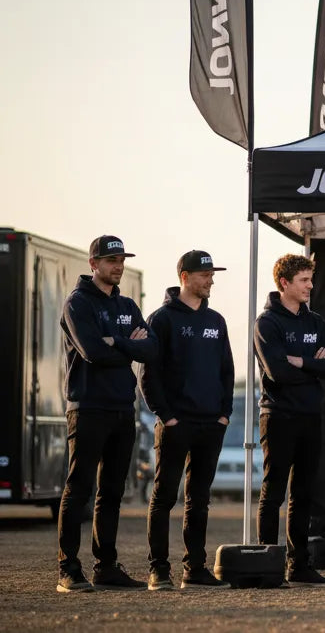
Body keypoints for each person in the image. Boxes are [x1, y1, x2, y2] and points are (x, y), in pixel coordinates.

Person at [56, 235, 157, 593]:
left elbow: (152, 349)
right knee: (79, 488)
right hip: (87, 407)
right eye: (111, 260)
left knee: (112, 491)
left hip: (121, 408)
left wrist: (117, 342)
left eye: (121, 260)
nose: (118, 266)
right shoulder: (78, 303)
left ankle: (106, 567)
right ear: (93, 264)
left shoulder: (127, 305)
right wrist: (128, 345)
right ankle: (68, 569)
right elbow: (93, 352)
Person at [140, 250, 234, 590]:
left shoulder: (216, 321)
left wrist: (224, 414)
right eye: (204, 275)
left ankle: (194, 569)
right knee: (164, 496)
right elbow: (149, 374)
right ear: (185, 277)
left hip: (211, 425)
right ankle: (159, 570)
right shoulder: (161, 319)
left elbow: (226, 371)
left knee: (199, 499)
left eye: (212, 275)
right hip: (176, 424)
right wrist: (166, 416)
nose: (210, 281)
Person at [254, 254, 325, 586]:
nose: (310, 286)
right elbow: (278, 372)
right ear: (284, 283)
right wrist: (312, 364)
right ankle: (266, 565)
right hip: (278, 416)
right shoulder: (267, 323)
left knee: (303, 493)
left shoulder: (315, 322)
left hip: (309, 416)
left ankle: (298, 566)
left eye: (311, 279)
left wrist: (302, 362)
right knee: (274, 491)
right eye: (304, 280)